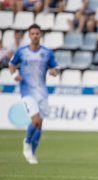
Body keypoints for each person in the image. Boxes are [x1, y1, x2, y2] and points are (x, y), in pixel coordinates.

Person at [9, 24, 58, 164]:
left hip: (42, 92)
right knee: (35, 121)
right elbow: (12, 65)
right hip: (27, 91)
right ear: (29, 36)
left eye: (37, 33)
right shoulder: (22, 51)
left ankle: (32, 154)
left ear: (40, 35)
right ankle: (26, 143)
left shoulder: (47, 53)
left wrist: (54, 72)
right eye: (33, 33)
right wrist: (14, 76)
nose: (35, 35)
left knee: (39, 125)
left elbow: (55, 67)